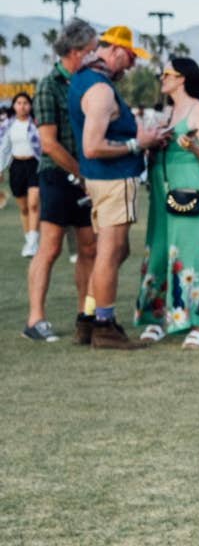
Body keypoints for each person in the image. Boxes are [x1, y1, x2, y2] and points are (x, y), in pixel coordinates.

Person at [68, 25, 167, 351]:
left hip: (99, 179)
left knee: (114, 251)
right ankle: (104, 326)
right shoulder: (100, 89)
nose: (132, 65)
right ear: (112, 50)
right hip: (112, 179)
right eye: (129, 57)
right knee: (110, 252)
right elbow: (93, 145)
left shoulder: (83, 80)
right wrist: (139, 144)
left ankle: (89, 317)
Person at [133, 57, 199, 349]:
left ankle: (195, 324)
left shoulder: (198, 110)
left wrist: (190, 146)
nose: (162, 78)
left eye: (167, 73)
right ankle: (157, 319)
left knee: (188, 254)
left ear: (182, 78)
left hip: (190, 188)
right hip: (161, 187)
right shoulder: (168, 113)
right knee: (157, 251)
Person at [23, 19, 100, 343]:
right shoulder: (48, 85)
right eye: (91, 50)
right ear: (74, 51)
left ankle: (86, 316)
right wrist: (81, 174)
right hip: (56, 175)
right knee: (50, 247)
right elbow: (49, 144)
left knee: (88, 247)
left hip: (86, 176)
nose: (95, 56)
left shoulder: (88, 82)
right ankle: (35, 319)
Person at [1, 92, 42, 256]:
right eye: (19, 103)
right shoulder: (7, 126)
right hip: (16, 167)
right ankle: (29, 240)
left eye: (25, 103)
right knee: (24, 208)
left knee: (33, 204)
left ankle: (33, 244)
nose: (22, 106)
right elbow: (3, 149)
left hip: (34, 165)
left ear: (30, 105)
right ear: (14, 105)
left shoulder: (36, 125)